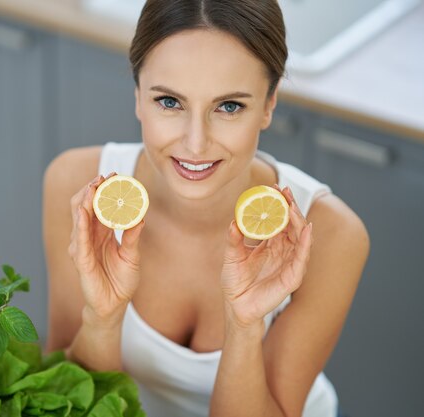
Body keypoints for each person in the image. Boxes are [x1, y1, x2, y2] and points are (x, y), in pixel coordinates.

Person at [42, 0, 369, 416]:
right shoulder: (79, 187)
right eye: (169, 102)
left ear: (269, 104)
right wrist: (103, 318)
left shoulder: (328, 235)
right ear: (138, 95)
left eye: (229, 106)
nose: (195, 144)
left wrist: (245, 327)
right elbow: (61, 400)